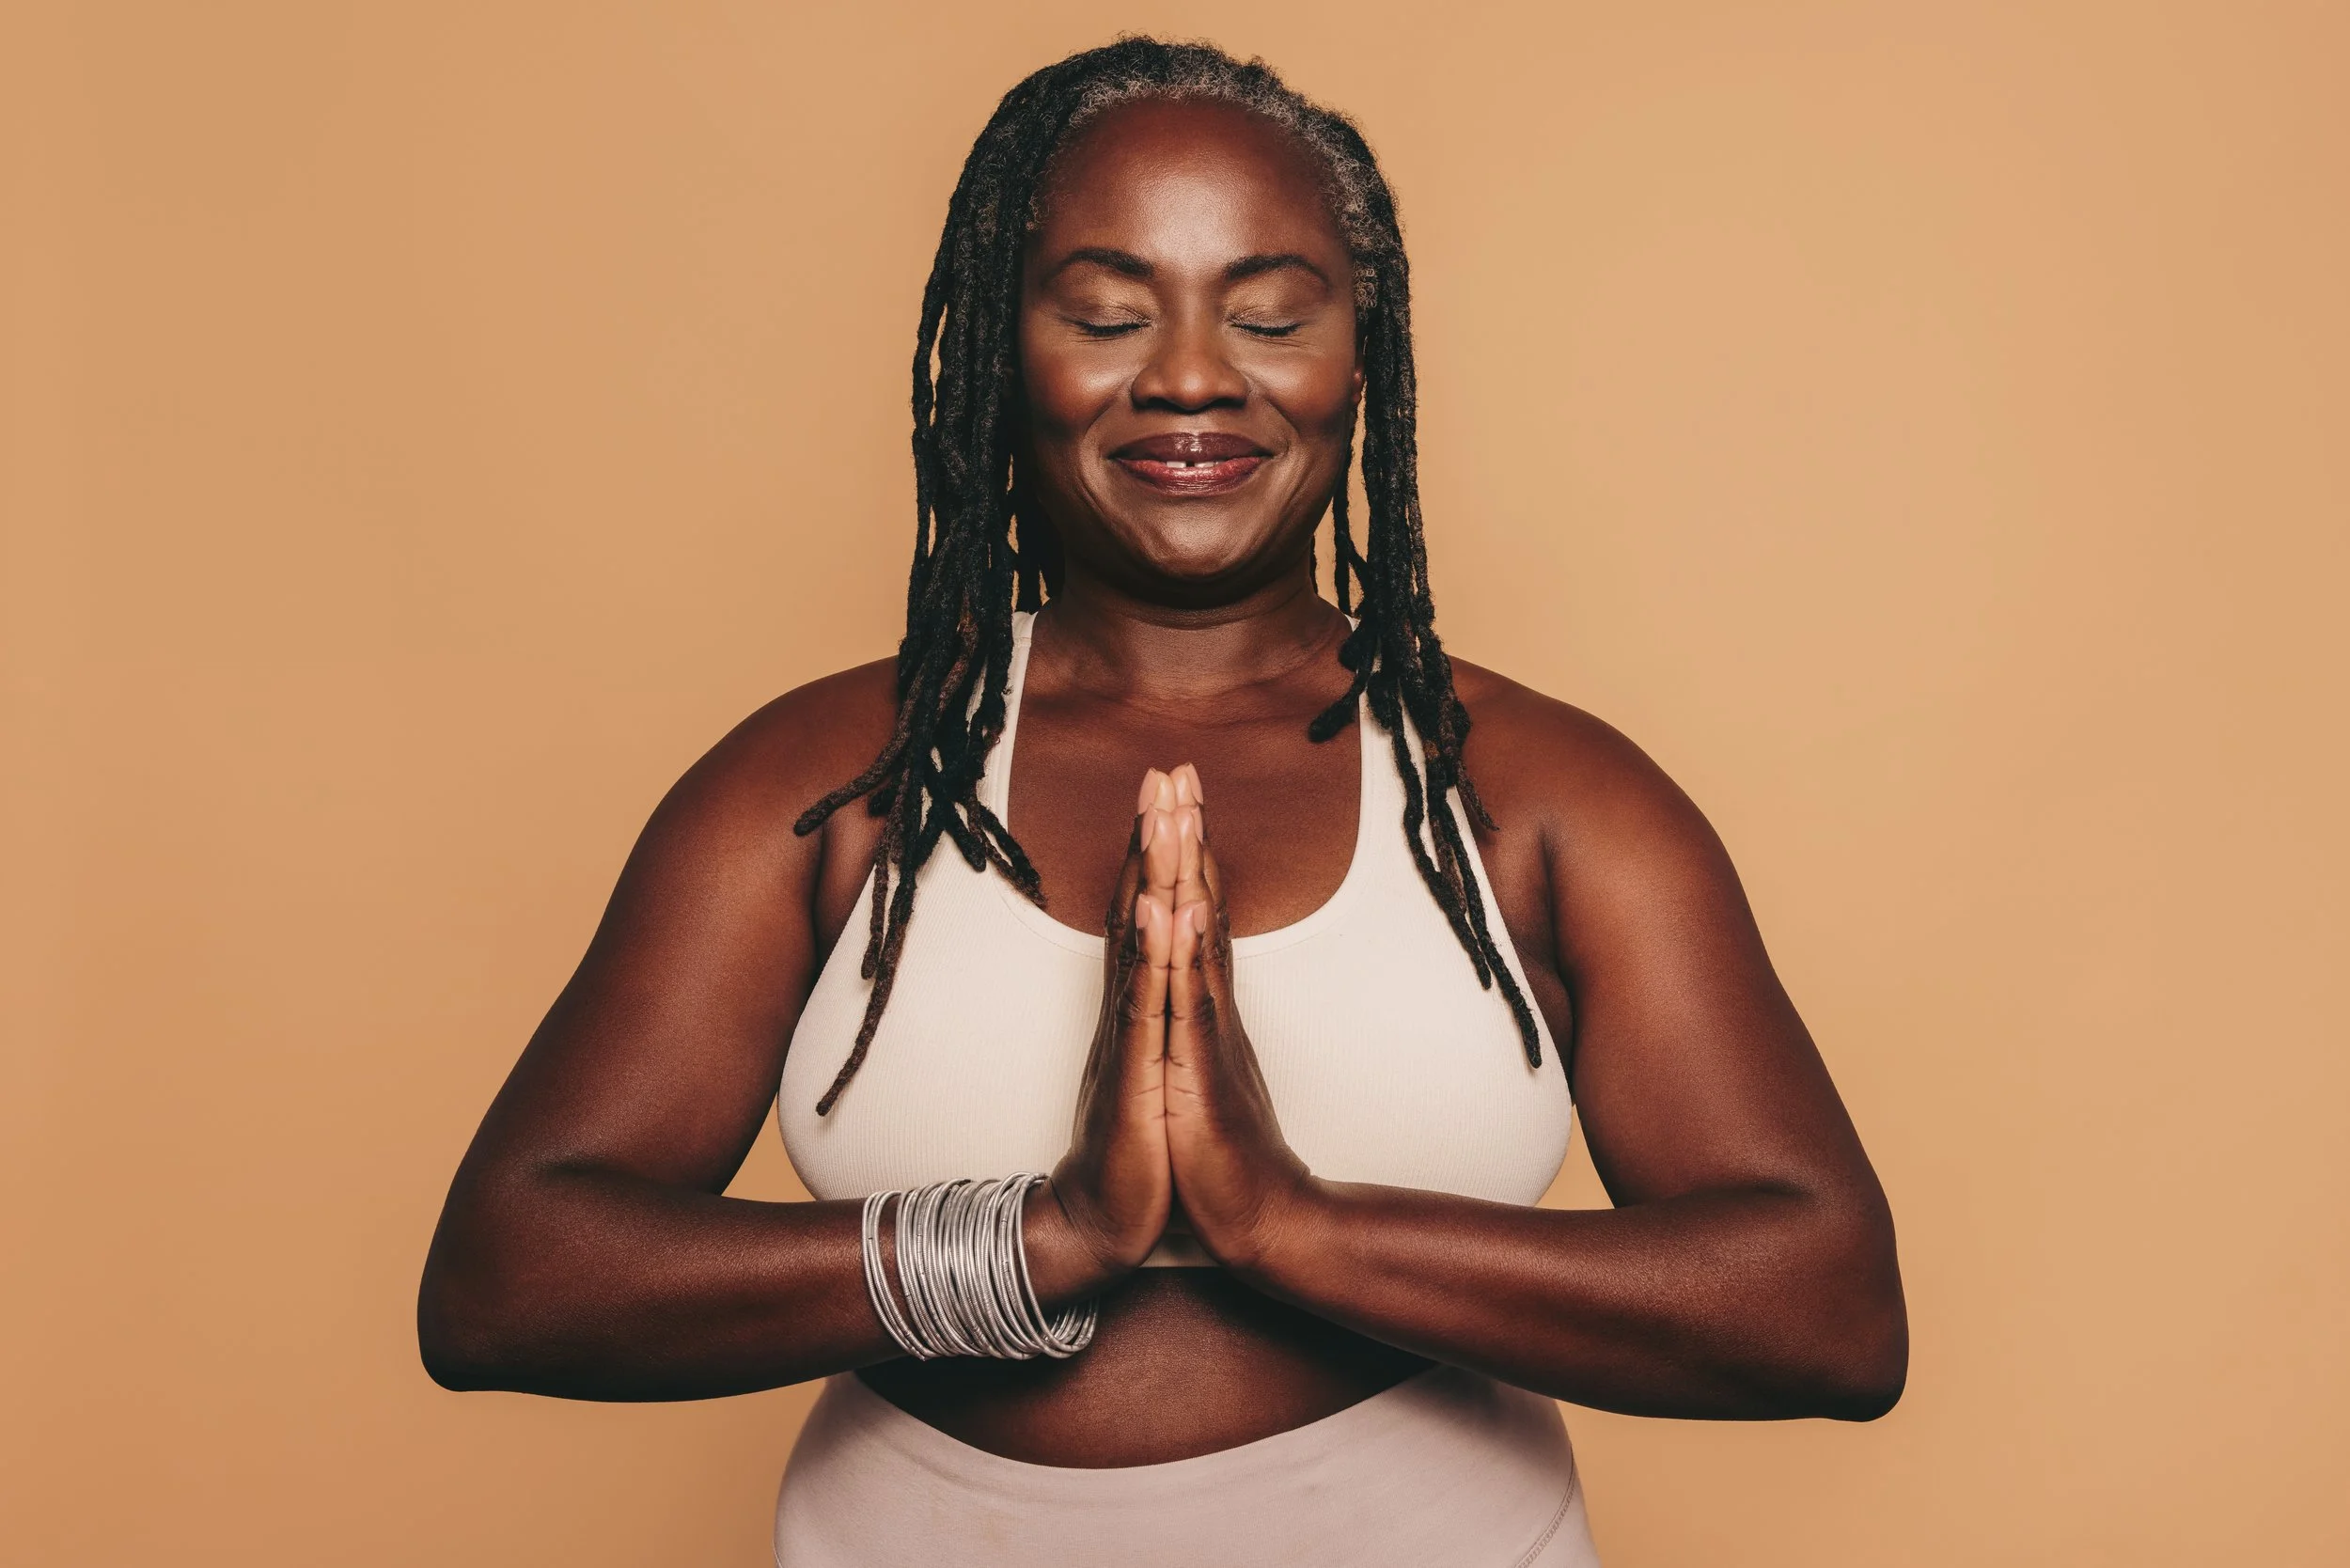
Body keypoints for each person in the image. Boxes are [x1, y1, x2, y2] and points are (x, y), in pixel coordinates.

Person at [418, 38, 1906, 1566]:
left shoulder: (1541, 799)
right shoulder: (834, 784)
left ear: (1360, 357)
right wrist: (1048, 1239)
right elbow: (510, 1279)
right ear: (1005, 356)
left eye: (1268, 314)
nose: (1193, 375)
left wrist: (1288, 1225)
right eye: (1108, 315)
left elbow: (1828, 1310)